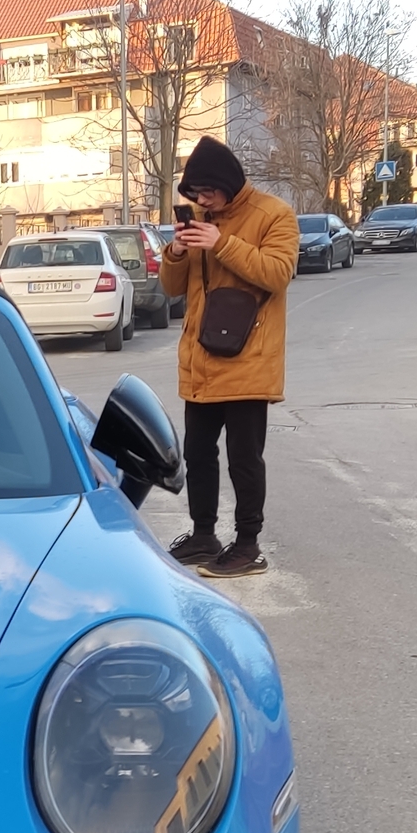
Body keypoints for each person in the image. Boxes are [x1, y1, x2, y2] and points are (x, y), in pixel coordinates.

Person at [155, 136, 298, 579]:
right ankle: (203, 535)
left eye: (209, 192)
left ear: (229, 183)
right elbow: (172, 288)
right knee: (197, 455)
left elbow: (277, 274)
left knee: (244, 458)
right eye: (194, 194)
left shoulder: (274, 215)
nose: (202, 201)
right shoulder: (201, 219)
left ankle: (248, 545)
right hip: (201, 360)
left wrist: (221, 243)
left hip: (248, 360)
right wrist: (177, 252)